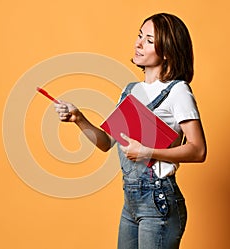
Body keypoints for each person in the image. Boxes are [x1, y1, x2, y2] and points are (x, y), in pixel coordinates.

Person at [54, 13, 207, 249]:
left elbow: (198, 150)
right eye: (139, 36)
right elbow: (105, 142)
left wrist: (147, 151)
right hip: (131, 203)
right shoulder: (130, 90)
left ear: (167, 51)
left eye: (148, 39)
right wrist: (79, 118)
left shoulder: (178, 91)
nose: (138, 43)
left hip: (159, 203)